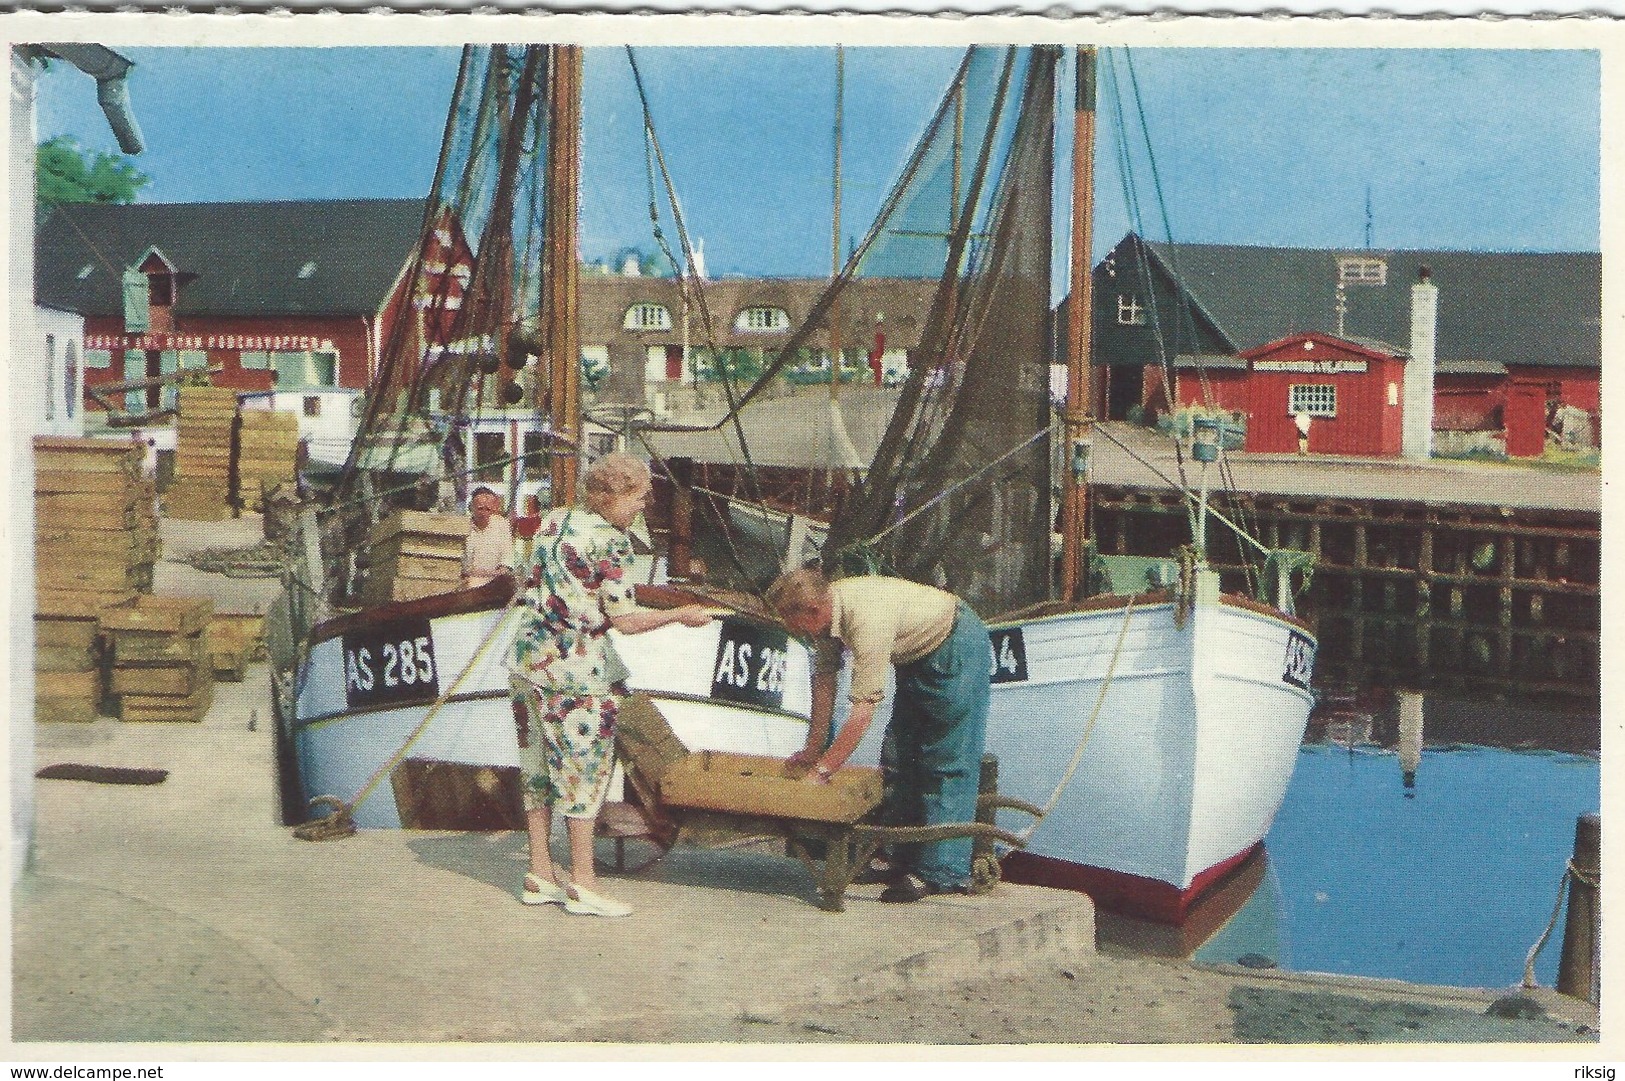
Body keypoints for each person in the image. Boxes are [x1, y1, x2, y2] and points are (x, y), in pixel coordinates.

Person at [510, 453, 712, 917]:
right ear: (612, 496)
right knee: (585, 774)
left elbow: (527, 580)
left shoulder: (553, 520)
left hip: (526, 662)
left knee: (536, 769)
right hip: (578, 673)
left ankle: (540, 872)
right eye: (639, 497)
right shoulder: (612, 541)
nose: (643, 506)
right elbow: (625, 620)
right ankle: (583, 882)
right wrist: (680, 615)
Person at [766, 567, 990, 903]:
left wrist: (823, 771)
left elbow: (862, 713)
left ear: (812, 611)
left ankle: (941, 871)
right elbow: (825, 682)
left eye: (791, 622)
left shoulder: (865, 620)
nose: (791, 629)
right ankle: (896, 857)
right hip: (916, 653)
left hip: (954, 642)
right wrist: (813, 750)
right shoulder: (827, 616)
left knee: (945, 759)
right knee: (898, 756)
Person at [462, 486, 513, 588]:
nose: (484, 513)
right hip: (468, 584)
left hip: (495, 584)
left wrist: (491, 574)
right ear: (471, 508)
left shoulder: (502, 525)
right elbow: (462, 568)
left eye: (488, 509)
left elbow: (507, 563)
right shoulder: (462, 528)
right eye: (480, 509)